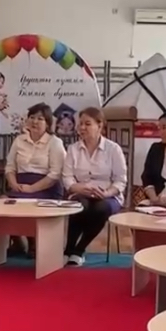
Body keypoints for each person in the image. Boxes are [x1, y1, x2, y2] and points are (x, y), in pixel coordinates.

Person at [61, 107, 128, 266]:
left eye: (87, 124)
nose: (82, 128)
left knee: (100, 209)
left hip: (108, 196)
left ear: (100, 125)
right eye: (81, 124)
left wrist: (107, 193)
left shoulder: (113, 149)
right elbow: (67, 178)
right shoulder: (73, 149)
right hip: (81, 192)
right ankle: (69, 249)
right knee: (80, 206)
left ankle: (78, 250)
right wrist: (79, 188)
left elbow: (120, 180)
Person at [5, 102, 66, 256]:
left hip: (46, 187)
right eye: (32, 117)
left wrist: (32, 188)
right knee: (3, 202)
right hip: (20, 185)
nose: (35, 122)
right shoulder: (19, 140)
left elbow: (55, 174)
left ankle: (34, 242)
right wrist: (13, 183)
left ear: (48, 123)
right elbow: (10, 167)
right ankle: (17, 241)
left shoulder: (55, 143)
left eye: (40, 119)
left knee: (28, 204)